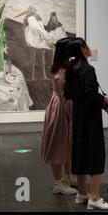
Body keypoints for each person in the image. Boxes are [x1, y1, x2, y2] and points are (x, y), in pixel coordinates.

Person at [64, 38, 108, 210]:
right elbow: (91, 94)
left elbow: (68, 93)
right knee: (94, 153)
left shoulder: (71, 69)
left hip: (78, 116)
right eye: (86, 45)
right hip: (91, 119)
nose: (89, 48)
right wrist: (104, 99)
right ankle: (94, 197)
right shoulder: (88, 69)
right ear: (82, 49)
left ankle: (81, 193)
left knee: (79, 152)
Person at [40, 38, 78, 195]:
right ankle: (59, 183)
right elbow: (66, 97)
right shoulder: (63, 72)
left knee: (66, 144)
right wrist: (73, 116)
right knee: (58, 145)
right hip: (60, 110)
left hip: (56, 107)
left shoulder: (61, 67)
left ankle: (68, 177)